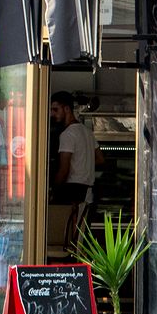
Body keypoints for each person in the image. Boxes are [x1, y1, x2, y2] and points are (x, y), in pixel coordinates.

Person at [49, 91, 100, 247]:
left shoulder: (67, 135)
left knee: (65, 241)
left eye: (55, 109)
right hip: (88, 193)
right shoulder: (87, 132)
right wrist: (84, 164)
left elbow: (64, 170)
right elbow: (100, 159)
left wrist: (53, 190)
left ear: (67, 109)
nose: (52, 114)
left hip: (71, 192)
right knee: (80, 241)